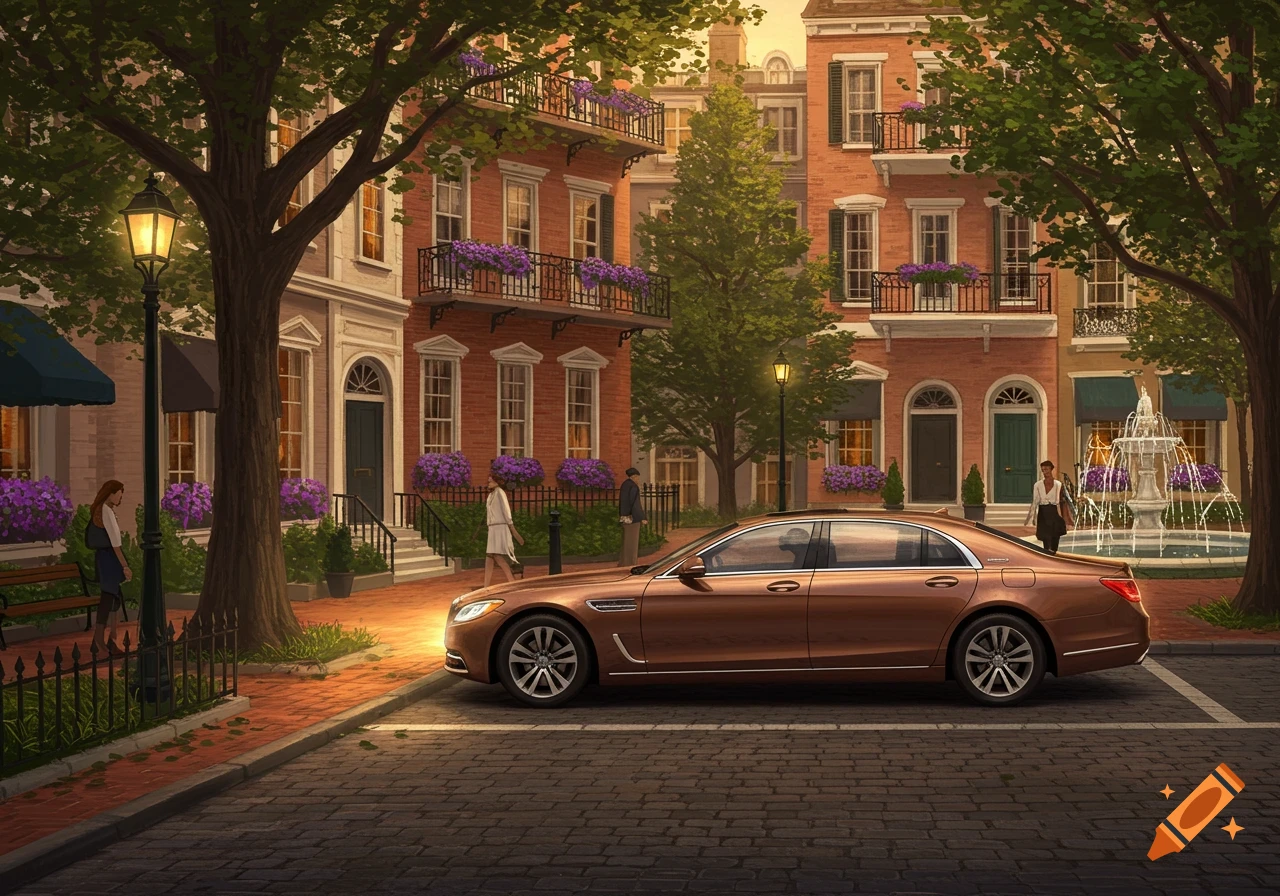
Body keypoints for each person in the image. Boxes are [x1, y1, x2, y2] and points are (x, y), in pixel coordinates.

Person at [87, 480, 131, 651]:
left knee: (114, 599)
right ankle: (101, 640)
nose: (121, 496)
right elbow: (115, 543)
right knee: (109, 599)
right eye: (120, 492)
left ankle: (109, 639)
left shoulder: (101, 510)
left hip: (105, 559)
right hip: (110, 560)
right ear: (111, 493)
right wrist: (125, 566)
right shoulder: (106, 512)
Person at [477, 474, 523, 587]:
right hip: (492, 528)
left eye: (490, 480)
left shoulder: (500, 493)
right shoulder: (491, 495)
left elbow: (506, 511)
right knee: (489, 556)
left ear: (497, 482)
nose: (488, 482)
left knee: (496, 556)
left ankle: (512, 582)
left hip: (500, 527)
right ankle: (486, 585)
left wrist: (511, 527)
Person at [1025, 460, 1073, 554]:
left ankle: (1054, 554)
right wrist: (1030, 519)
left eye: (1046, 469)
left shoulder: (1058, 484)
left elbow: (1060, 501)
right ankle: (1047, 554)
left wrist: (1064, 518)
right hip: (1043, 512)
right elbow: (1035, 502)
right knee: (1045, 537)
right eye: (1043, 470)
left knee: (1055, 536)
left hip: (1054, 511)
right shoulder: (1037, 485)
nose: (1045, 472)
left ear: (1051, 469)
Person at [617, 467, 647, 567]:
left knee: (625, 541)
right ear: (634, 476)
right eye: (637, 477)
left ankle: (623, 562)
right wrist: (642, 517)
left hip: (624, 516)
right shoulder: (633, 487)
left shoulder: (625, 485)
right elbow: (635, 504)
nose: (638, 480)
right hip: (633, 518)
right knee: (632, 542)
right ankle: (630, 563)